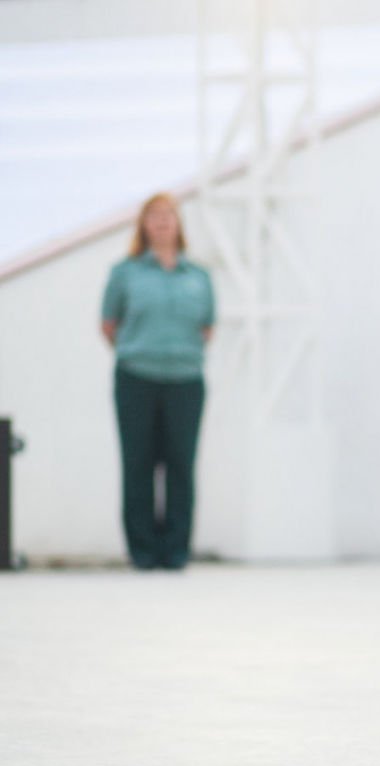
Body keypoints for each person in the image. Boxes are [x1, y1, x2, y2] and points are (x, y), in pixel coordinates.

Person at [99, 192, 215, 571]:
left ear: (179, 223)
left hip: (186, 380)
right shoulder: (125, 273)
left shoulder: (199, 276)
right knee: (139, 463)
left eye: (169, 215)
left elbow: (208, 327)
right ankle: (143, 551)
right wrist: (139, 351)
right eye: (154, 216)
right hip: (137, 378)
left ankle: (176, 550)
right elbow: (109, 324)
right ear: (143, 225)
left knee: (181, 464)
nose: (162, 222)